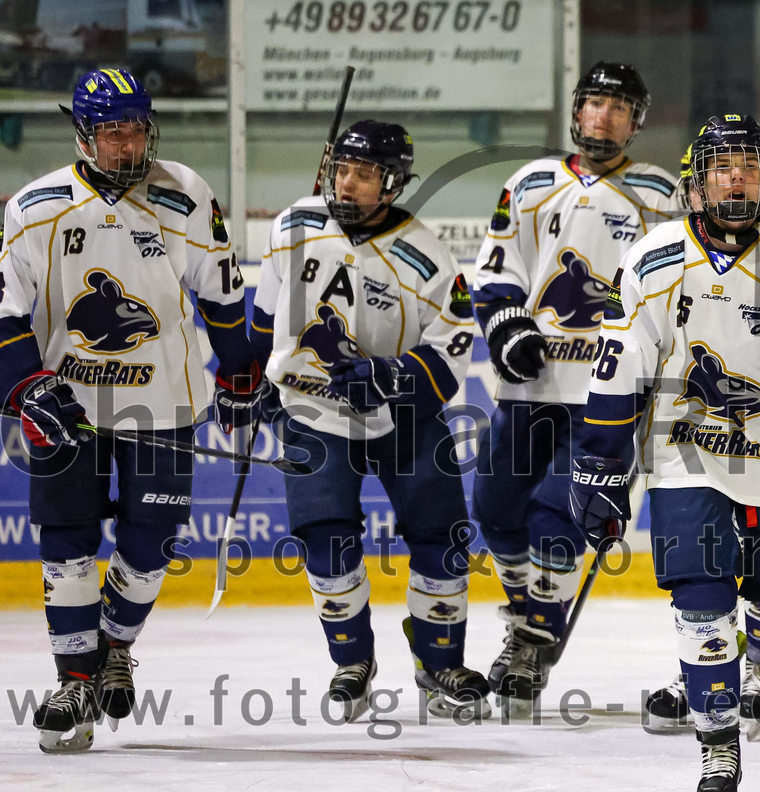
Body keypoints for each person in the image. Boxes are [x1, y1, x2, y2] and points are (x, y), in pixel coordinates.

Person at [570, 114, 760, 792]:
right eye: (722, 165)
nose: (737, 177)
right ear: (695, 180)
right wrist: (600, 467)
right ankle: (717, 744)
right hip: (685, 459)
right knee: (702, 601)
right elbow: (620, 372)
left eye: (749, 166)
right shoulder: (652, 258)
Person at [0, 68, 265, 753]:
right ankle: (76, 679)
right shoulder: (36, 206)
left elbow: (223, 294)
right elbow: (3, 310)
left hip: (165, 401)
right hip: (70, 405)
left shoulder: (183, 193)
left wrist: (239, 371)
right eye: (113, 131)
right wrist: (27, 387)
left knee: (150, 544)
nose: (128, 144)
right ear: (84, 135)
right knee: (67, 539)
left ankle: (115, 643)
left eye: (137, 129)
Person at [251, 120, 490, 722]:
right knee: (326, 539)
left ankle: (439, 665)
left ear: (393, 183)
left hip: (403, 418)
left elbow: (453, 346)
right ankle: (352, 662)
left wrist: (393, 376)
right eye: (342, 170)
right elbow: (261, 319)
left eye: (364, 174)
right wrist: (252, 378)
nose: (348, 184)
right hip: (312, 411)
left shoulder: (428, 255)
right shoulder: (292, 227)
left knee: (444, 537)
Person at [471, 61, 680, 713]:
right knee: (496, 508)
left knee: (557, 513)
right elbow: (496, 270)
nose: (603, 116)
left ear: (636, 122)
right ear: (575, 111)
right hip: (531, 382)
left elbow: (680, 287)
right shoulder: (530, 183)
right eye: (593, 103)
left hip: (607, 391)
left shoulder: (661, 194)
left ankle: (532, 638)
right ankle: (533, 609)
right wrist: (507, 328)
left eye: (618, 107)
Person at [645, 140, 760, 739]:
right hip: (691, 441)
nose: (726, 187)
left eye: (742, 171)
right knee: (702, 566)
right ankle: (705, 672)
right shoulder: (666, 258)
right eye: (713, 177)